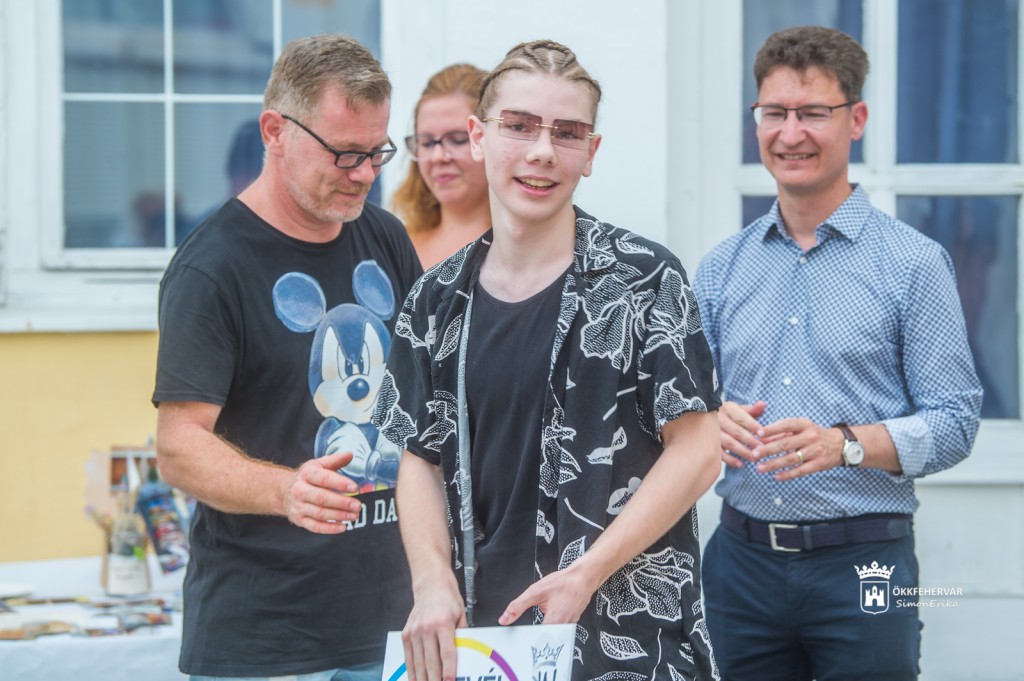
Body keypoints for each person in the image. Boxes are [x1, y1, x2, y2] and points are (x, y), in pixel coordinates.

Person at [373, 39, 722, 681]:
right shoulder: (434, 299)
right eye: (520, 126)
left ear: (591, 152)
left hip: (624, 643)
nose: (542, 151)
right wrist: (431, 581)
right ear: (479, 136)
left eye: (567, 132)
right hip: (482, 644)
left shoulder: (645, 279)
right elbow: (418, 456)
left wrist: (587, 572)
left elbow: (698, 452)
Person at [692, 26, 983, 681]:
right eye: (774, 112)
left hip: (867, 564)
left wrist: (846, 444)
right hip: (740, 565)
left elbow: (957, 422)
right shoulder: (720, 269)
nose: (790, 133)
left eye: (813, 113)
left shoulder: (913, 265)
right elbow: (687, 415)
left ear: (856, 120)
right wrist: (711, 423)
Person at [152, 34, 422, 680]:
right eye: (344, 153)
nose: (365, 174)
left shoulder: (385, 236)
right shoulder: (211, 268)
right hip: (265, 640)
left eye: (376, 152)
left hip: (390, 622)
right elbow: (179, 446)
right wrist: (286, 490)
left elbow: (426, 394)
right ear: (275, 131)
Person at [391, 63, 490, 269]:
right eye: (427, 143)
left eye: (458, 139)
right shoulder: (397, 247)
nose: (438, 157)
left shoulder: (523, 245)